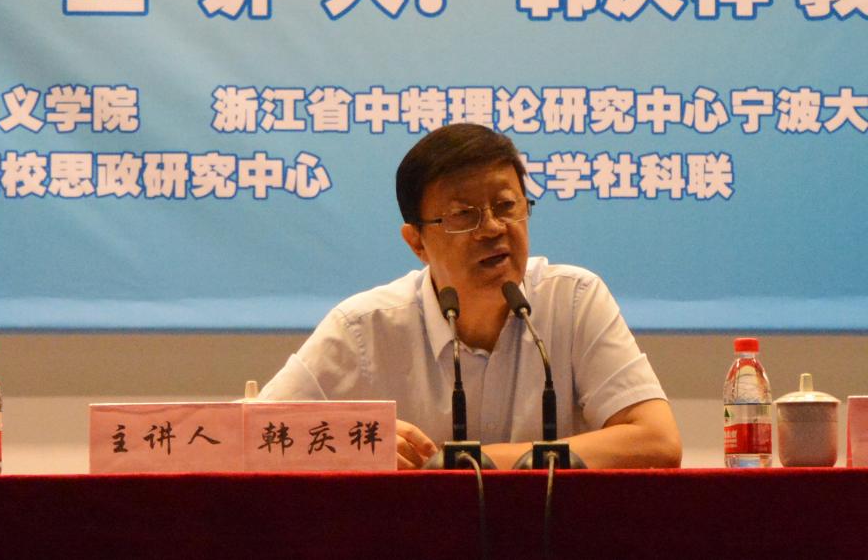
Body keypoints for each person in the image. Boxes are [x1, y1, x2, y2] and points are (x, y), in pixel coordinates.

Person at [259, 123, 682, 469]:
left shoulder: (573, 299)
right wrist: (353, 443)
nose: (493, 228)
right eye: (464, 215)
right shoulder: (363, 329)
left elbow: (658, 440)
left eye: (506, 206)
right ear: (417, 242)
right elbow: (249, 436)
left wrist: (463, 465)